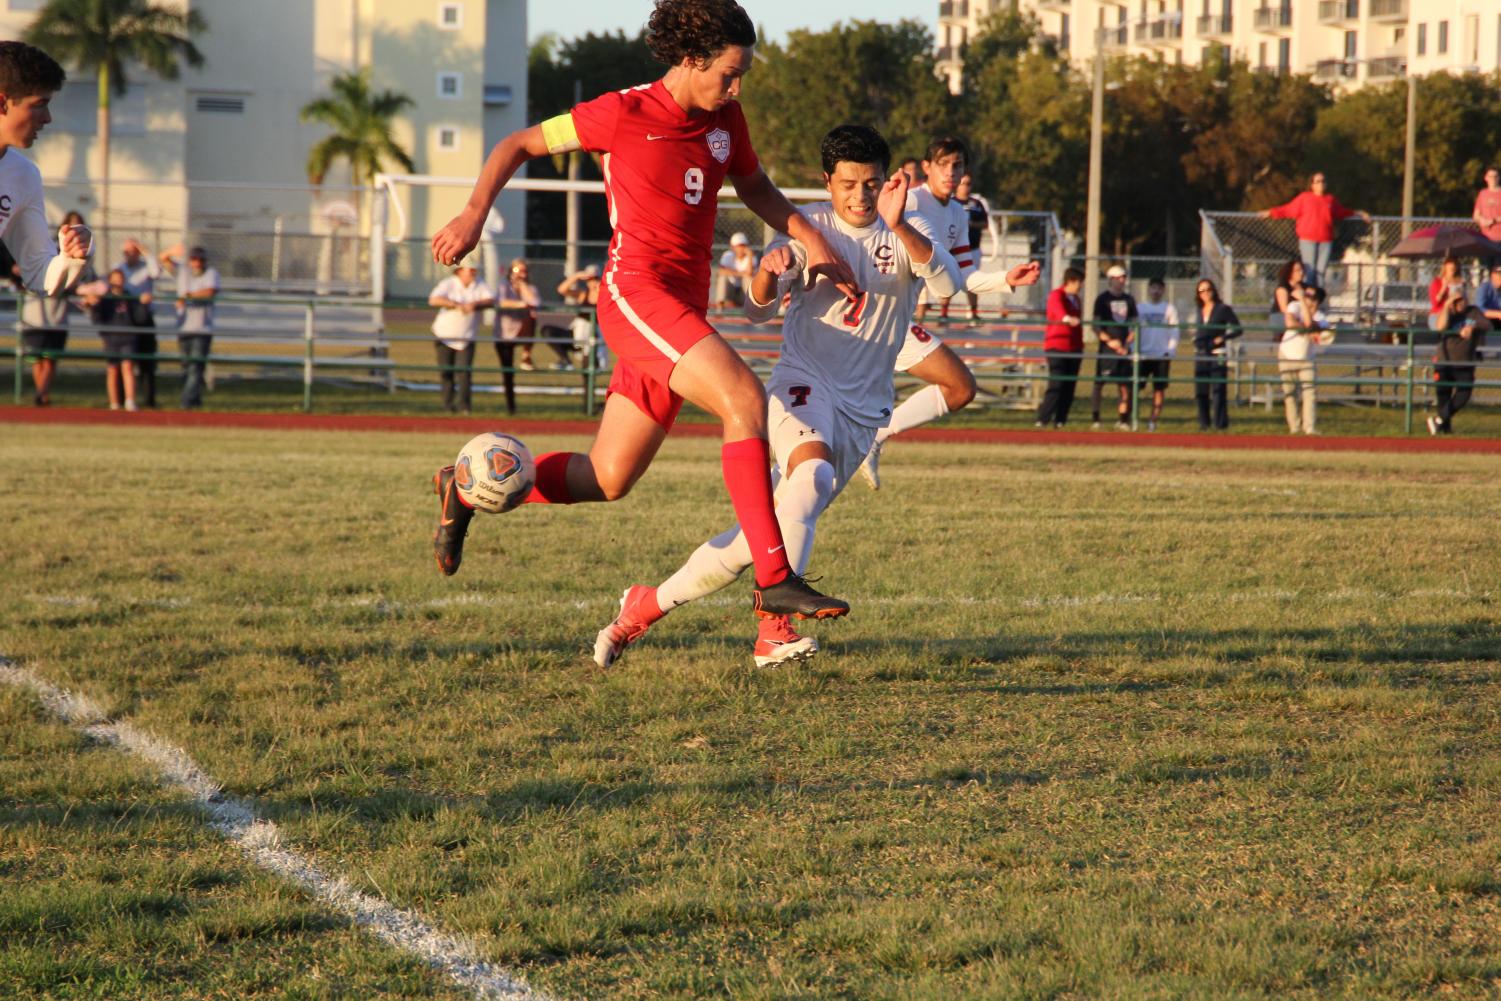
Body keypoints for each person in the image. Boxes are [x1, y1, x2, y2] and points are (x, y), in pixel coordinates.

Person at [428, 0, 859, 621]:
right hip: (635, 294)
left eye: (743, 77)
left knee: (607, 476)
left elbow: (755, 185)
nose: (736, 89)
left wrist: (813, 240)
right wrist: (473, 215)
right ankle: (774, 579)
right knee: (744, 400)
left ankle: (464, 490)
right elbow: (518, 143)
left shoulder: (726, 120)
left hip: (679, 310)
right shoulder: (622, 113)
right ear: (691, 61)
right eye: (728, 75)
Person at [592, 124, 957, 668]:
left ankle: (643, 607)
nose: (860, 196)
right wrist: (766, 275)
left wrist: (901, 223)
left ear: (887, 182)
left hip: (863, 413)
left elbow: (949, 286)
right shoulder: (807, 227)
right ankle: (775, 630)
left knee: (752, 543)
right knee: (813, 476)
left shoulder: (907, 226)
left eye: (871, 183)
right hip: (801, 386)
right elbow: (757, 312)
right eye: (849, 183)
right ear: (826, 182)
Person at [855, 136, 1039, 488]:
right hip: (870, 313)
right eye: (943, 164)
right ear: (927, 168)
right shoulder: (908, 201)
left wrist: (1005, 278)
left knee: (960, 388)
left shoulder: (956, 212)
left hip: (897, 321)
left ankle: (874, 438)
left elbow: (964, 275)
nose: (951, 172)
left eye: (958, 166)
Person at [0, 42, 94, 356]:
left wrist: (70, 259)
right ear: (2, 102)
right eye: (39, 104)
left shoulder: (23, 176)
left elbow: (39, 273)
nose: (48, 118)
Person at [1258, 172, 1370, 288]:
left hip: (1325, 240)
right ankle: (1309, 297)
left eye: (1323, 181)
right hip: (1308, 239)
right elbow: (1287, 210)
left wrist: (1358, 213)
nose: (1321, 184)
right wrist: (1270, 212)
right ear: (1312, 185)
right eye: (1317, 181)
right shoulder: (1305, 198)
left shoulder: (1330, 200)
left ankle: (1318, 299)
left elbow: (1342, 212)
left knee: (1320, 272)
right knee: (1310, 270)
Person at [427, 261, 493, 415]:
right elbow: (434, 299)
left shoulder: (479, 284)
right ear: (460, 271)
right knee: (446, 372)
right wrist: (455, 304)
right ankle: (448, 406)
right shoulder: (449, 283)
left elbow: (490, 299)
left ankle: (464, 407)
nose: (472, 274)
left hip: (466, 336)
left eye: (474, 271)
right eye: (469, 270)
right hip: (444, 335)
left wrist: (474, 304)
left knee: (464, 372)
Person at [159, 244, 220, 409]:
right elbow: (163, 259)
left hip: (202, 329)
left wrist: (188, 296)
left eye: (201, 259)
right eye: (194, 259)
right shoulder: (183, 272)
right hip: (184, 327)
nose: (197, 263)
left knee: (195, 367)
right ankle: (195, 401)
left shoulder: (211, 273)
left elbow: (210, 291)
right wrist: (172, 251)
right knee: (187, 368)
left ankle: (185, 402)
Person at [1428, 298, 1489, 436]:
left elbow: (1487, 325)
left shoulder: (1473, 312)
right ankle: (1444, 430)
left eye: (1463, 300)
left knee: (1464, 393)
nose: (1461, 303)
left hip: (1464, 362)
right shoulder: (1447, 313)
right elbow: (1440, 326)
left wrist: (1472, 327)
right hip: (1444, 360)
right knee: (1443, 396)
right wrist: (1447, 305)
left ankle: (1438, 421)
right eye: (1458, 301)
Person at [1035, 267, 1085, 429]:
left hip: (1074, 347)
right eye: (1079, 282)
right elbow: (1058, 312)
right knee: (1056, 383)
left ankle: (1061, 420)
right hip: (1057, 345)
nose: (1081, 286)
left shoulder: (1076, 299)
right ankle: (1043, 419)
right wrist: (1067, 318)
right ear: (1070, 281)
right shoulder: (1057, 295)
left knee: (1069, 386)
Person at [1089, 264, 1138, 430]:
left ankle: (1123, 420)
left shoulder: (1129, 300)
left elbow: (1134, 325)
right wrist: (1109, 341)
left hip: (1124, 349)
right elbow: (1095, 325)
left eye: (1124, 277)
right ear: (1111, 280)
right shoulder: (1102, 299)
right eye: (1119, 278)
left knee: (1124, 385)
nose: (1122, 281)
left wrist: (1126, 344)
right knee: (1099, 384)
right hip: (1107, 349)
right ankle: (1096, 419)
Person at [1277, 283, 1328, 435]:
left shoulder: (1322, 318)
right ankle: (1294, 427)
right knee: (1290, 392)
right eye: (1305, 295)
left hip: (1307, 357)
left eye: (1310, 296)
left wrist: (1306, 323)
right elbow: (1290, 323)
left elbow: (1309, 325)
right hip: (1287, 354)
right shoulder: (1294, 305)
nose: (1305, 298)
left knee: (1309, 392)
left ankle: (1309, 427)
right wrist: (1304, 326)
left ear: (1317, 301)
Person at [87, 268, 140, 411]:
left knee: (128, 368)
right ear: (110, 281)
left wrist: (142, 304)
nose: (118, 282)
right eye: (115, 278)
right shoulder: (105, 298)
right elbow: (97, 318)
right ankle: (114, 403)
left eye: (120, 278)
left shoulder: (130, 297)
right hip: (111, 338)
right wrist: (93, 305)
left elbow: (139, 317)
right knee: (112, 370)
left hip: (128, 338)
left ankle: (130, 401)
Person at [1191, 278, 1241, 431]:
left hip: (1218, 353)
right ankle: (1204, 423)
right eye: (1202, 291)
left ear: (1213, 290)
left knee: (1218, 390)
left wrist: (1222, 338)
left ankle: (1220, 424)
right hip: (1201, 353)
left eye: (1208, 289)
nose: (1205, 293)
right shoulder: (1199, 310)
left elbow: (1237, 329)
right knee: (1201, 391)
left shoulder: (1222, 309)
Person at [116, 238, 160, 407]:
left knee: (147, 362)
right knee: (123, 362)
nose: (129, 255)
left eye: (133, 251)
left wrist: (145, 251)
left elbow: (156, 272)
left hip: (144, 318)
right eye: (126, 252)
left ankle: (149, 400)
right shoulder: (119, 268)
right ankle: (120, 400)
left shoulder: (145, 267)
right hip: (126, 319)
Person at [493, 257, 540, 413]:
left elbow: (534, 302)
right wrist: (521, 304)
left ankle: (526, 355)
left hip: (521, 331)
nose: (521, 274)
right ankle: (511, 407)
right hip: (504, 333)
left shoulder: (530, 287)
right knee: (508, 372)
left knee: (532, 317)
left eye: (524, 271)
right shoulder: (504, 285)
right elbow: (501, 302)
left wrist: (523, 286)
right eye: (517, 270)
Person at [1135, 276, 1179, 431]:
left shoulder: (1169, 308)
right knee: (1136, 387)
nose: (1156, 291)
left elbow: (1174, 330)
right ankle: (1133, 418)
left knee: (1159, 389)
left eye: (1159, 288)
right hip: (1143, 354)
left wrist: (1170, 350)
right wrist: (1135, 349)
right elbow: (1133, 330)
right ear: (1148, 289)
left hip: (1161, 355)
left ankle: (1153, 420)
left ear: (1163, 290)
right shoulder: (1141, 308)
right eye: (1153, 287)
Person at [954, 172, 998, 325]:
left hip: (972, 248)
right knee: (946, 278)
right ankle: (944, 313)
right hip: (953, 249)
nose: (966, 187)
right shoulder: (951, 202)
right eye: (963, 183)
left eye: (968, 183)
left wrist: (971, 224)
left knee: (972, 282)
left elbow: (985, 224)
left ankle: (973, 313)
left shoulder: (976, 204)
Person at [555, 263, 605, 370]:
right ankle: (565, 360)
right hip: (579, 336)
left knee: (589, 363)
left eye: (595, 278)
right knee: (548, 331)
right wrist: (576, 276)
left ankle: (590, 363)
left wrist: (602, 290)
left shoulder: (605, 295)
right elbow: (561, 290)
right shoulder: (583, 295)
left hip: (594, 335)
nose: (593, 282)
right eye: (590, 279)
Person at [714, 231, 756, 309]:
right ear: (732, 247)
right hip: (730, 290)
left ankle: (751, 308)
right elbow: (721, 271)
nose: (741, 249)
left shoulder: (751, 257)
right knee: (722, 278)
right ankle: (719, 308)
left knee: (748, 278)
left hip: (743, 293)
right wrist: (741, 274)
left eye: (743, 246)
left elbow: (749, 273)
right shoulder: (728, 255)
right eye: (738, 246)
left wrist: (750, 255)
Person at [1428, 259, 1465, 331]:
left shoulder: (1461, 283)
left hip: (1455, 315)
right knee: (1443, 326)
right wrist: (1443, 287)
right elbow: (1435, 303)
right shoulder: (1437, 282)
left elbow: (1464, 303)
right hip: (1438, 315)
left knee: (1471, 319)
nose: (1453, 266)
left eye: (1455, 263)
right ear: (1445, 266)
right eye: (1450, 263)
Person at [1473, 166, 1501, 245]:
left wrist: (1493, 221)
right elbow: (1476, 215)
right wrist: (1482, 220)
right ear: (1486, 178)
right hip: (1485, 238)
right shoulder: (1483, 194)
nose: (1493, 179)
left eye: (1495, 176)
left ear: (1499, 178)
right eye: (1490, 176)